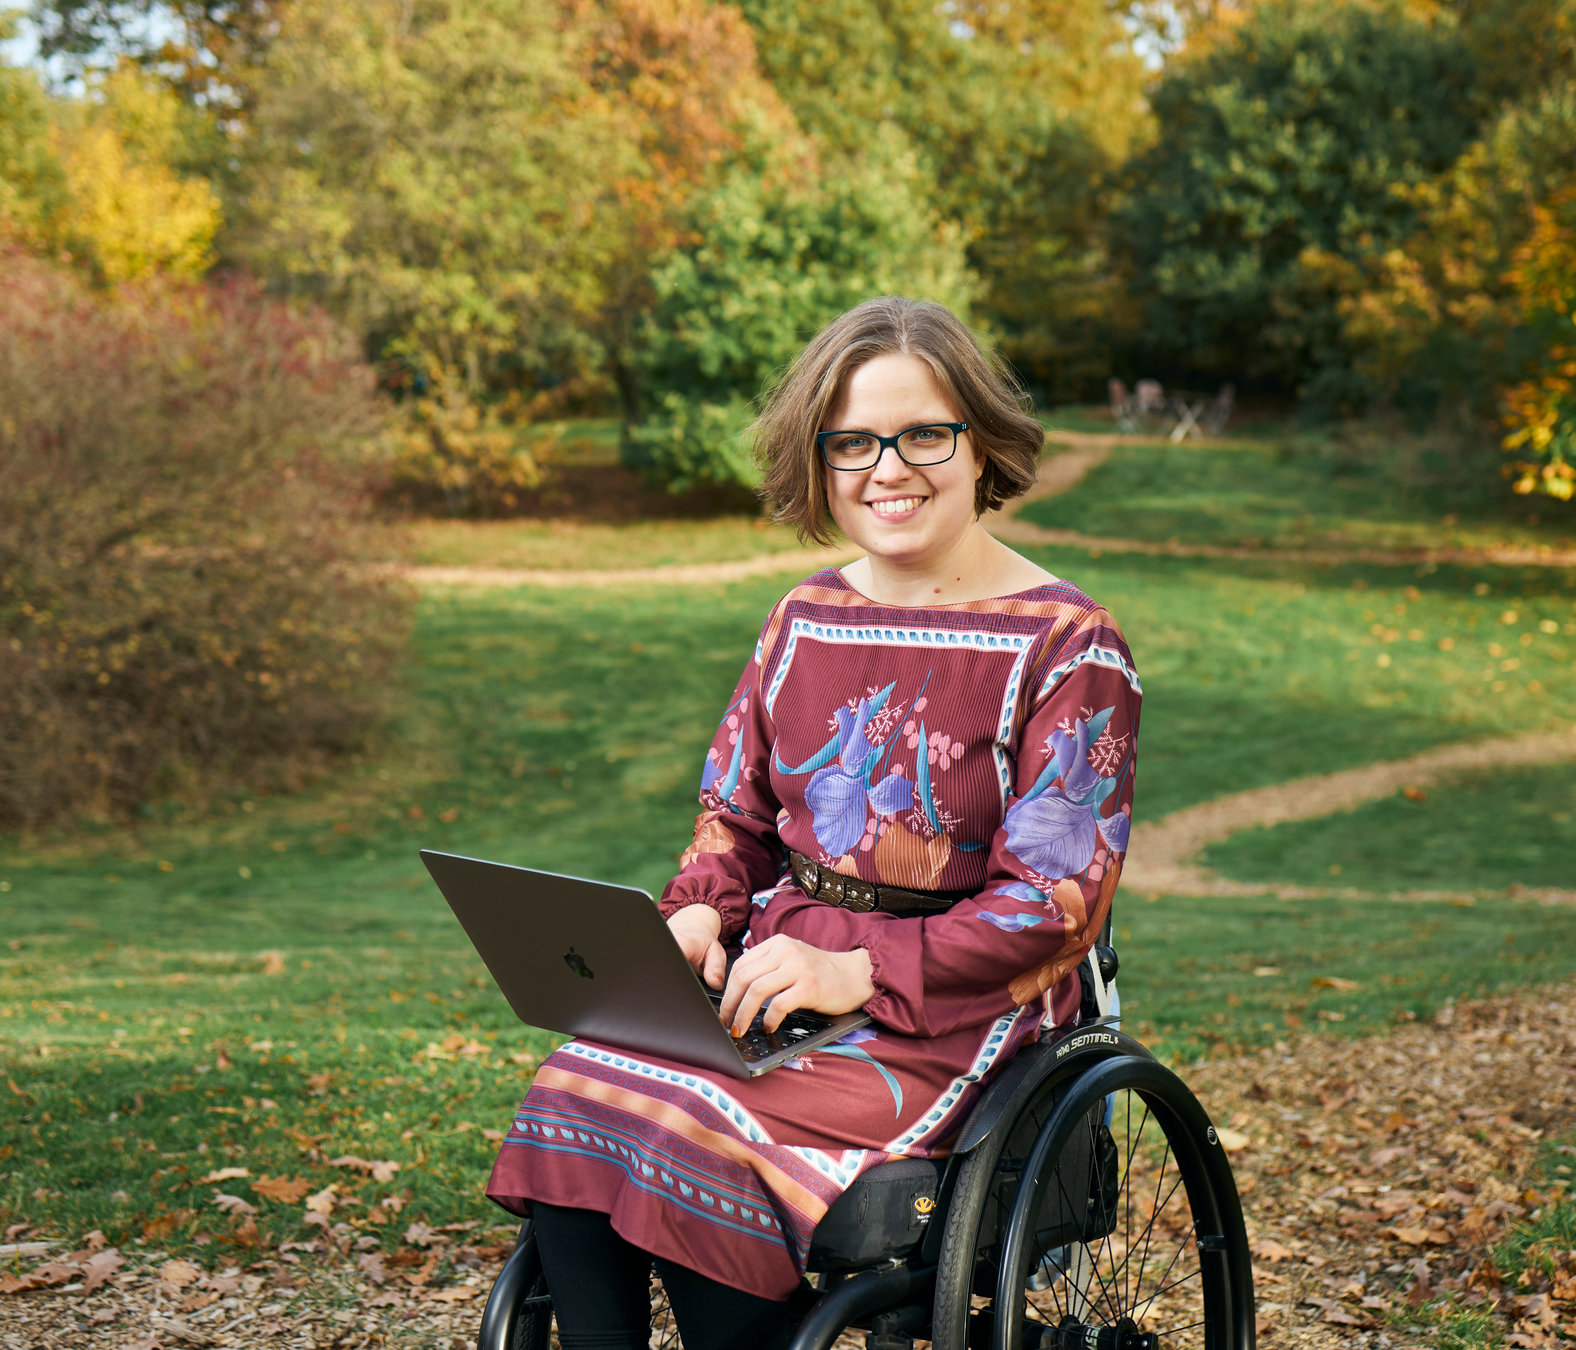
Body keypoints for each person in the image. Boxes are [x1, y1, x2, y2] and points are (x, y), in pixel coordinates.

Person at [484, 296, 1142, 1350]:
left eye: (924, 434)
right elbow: (734, 814)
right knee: (577, 1087)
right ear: (821, 459)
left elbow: (1053, 905)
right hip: (779, 974)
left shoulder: (1068, 644)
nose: (889, 469)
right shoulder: (803, 617)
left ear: (981, 442)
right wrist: (697, 915)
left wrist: (859, 970)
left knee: (709, 1135)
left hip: (961, 1011)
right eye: (854, 442)